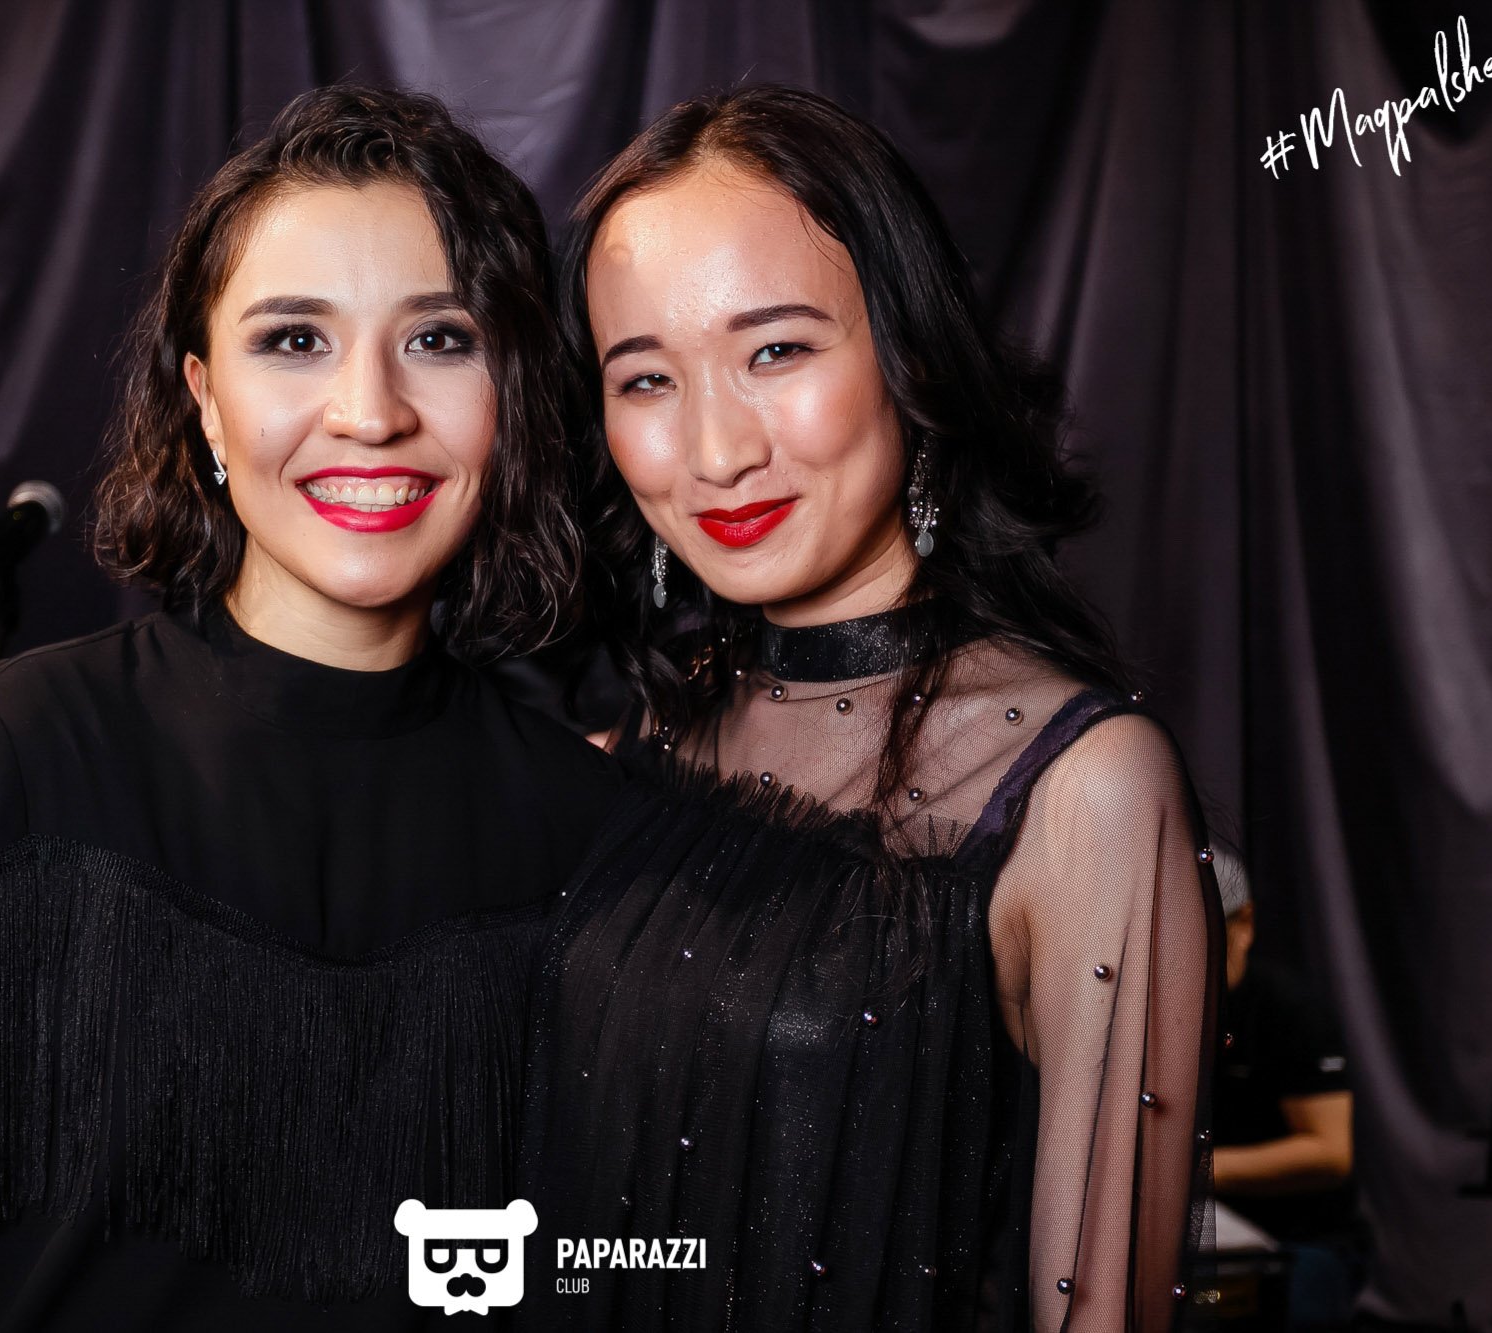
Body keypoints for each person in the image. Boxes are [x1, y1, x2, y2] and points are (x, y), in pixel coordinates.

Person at [0, 86, 617, 1331]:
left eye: (440, 338)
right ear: (205, 399)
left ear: (512, 394)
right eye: (294, 340)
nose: (370, 411)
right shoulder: (17, 755)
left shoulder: (582, 819)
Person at [520, 87, 1223, 1330]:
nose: (715, 449)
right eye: (646, 378)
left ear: (909, 354)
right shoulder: (630, 749)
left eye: (774, 351)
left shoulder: (1085, 793)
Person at [1208, 845, 1359, 1328]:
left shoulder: (1290, 1012)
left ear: (1245, 924)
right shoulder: (1145, 1010)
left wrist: (1191, 1172)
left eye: (1203, 934)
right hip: (1191, 1232)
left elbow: (1330, 1154)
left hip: (1296, 1238)